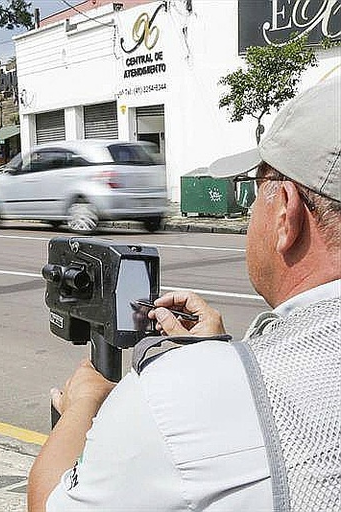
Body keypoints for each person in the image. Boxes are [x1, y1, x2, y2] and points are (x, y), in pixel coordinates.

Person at [28, 74, 340, 511]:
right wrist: (226, 357)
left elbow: (50, 504)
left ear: (286, 213)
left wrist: (84, 402)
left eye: (254, 192)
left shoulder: (174, 396)